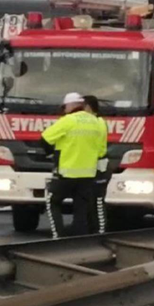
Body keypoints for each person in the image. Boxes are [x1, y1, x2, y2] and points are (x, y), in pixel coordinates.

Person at [41, 92, 108, 238]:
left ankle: (57, 236)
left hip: (67, 173)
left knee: (53, 202)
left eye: (65, 107)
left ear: (71, 106)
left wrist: (51, 155)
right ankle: (80, 239)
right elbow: (101, 150)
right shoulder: (97, 122)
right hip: (88, 174)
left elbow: (45, 139)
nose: (64, 110)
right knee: (81, 209)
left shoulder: (68, 120)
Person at [83, 95, 110, 234]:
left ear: (88, 107)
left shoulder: (97, 122)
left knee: (98, 201)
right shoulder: (98, 122)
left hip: (99, 165)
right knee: (92, 200)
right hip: (93, 165)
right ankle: (93, 229)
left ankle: (100, 230)